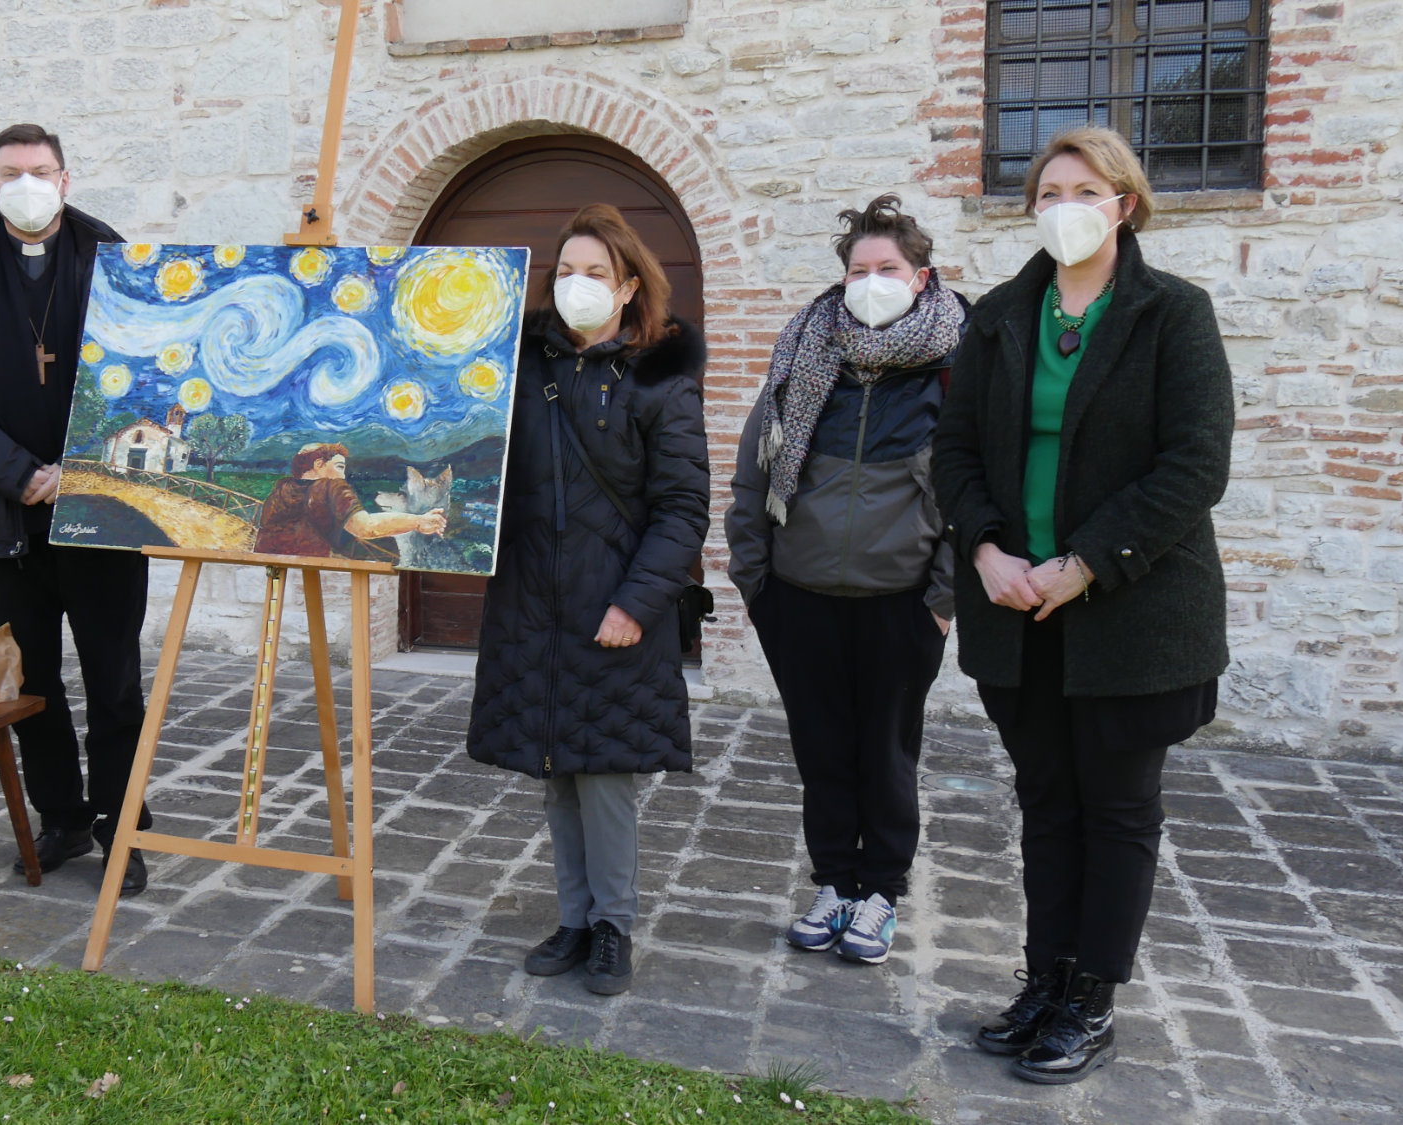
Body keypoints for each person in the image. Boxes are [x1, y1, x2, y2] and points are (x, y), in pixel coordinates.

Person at [932, 126, 1232, 1084]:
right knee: (1047, 801)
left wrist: (1087, 561)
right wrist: (983, 549)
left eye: (1083, 187)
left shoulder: (1173, 314)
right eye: (1047, 188)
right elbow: (956, 454)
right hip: (1016, 607)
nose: (1062, 202)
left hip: (1128, 613)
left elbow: (1195, 463)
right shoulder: (1000, 318)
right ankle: (1047, 977)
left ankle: (1093, 998)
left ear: (1124, 204)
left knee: (1117, 807)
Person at [468, 204, 710, 996]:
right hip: (534, 603)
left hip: (614, 608)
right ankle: (573, 918)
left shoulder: (659, 379)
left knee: (605, 776)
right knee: (555, 767)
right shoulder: (523, 366)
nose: (578, 285)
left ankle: (614, 925)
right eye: (566, 271)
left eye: (596, 274)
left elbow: (683, 508)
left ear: (629, 286)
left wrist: (638, 602)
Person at [0, 124, 156, 894]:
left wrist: (81, 474)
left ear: (66, 177)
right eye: (11, 172)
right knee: (33, 679)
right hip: (10, 511)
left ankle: (121, 822)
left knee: (115, 679)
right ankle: (62, 817)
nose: (27, 183)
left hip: (102, 508)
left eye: (40, 171)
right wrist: (19, 474)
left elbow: (149, 369)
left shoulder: (114, 259)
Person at [727, 194, 967, 965]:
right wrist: (755, 581)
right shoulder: (803, 353)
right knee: (822, 750)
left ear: (921, 277)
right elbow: (751, 472)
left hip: (901, 603)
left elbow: (974, 488)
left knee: (887, 753)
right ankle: (833, 880)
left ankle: (880, 893)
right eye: (859, 268)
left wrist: (942, 599)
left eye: (887, 268)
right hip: (798, 598)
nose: (871, 280)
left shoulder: (956, 365)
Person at [253, 443, 446, 557]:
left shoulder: (281, 489)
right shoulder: (331, 486)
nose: (342, 476)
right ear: (319, 464)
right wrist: (419, 522)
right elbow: (367, 527)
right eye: (339, 466)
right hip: (309, 569)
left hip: (270, 568)